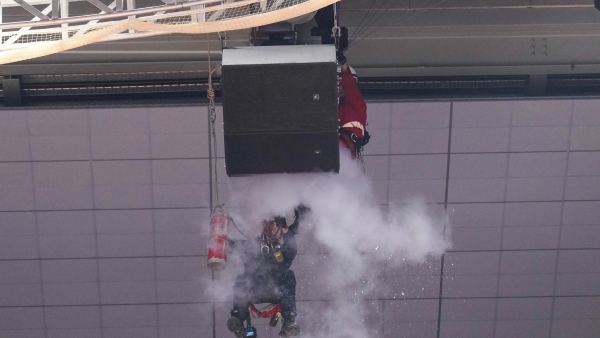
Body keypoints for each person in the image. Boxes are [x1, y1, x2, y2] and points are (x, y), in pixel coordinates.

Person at [227, 206, 309, 337]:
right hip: (254, 292)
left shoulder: (284, 250)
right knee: (241, 279)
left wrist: (287, 233)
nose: (269, 227)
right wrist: (221, 232)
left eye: (272, 224)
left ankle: (289, 323)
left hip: (277, 293)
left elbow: (291, 250)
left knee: (288, 276)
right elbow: (233, 246)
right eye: (265, 223)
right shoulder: (251, 247)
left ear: (280, 227)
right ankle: (238, 318)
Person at [336, 51, 369, 158]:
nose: (340, 88)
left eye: (342, 84)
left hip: (346, 144)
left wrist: (344, 65)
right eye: (337, 84)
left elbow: (350, 87)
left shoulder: (356, 103)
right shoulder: (334, 106)